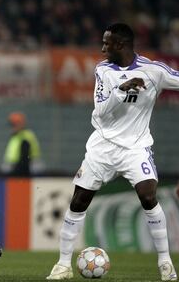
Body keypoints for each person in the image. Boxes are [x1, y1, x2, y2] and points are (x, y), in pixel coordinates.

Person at [46, 23, 178, 281]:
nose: (103, 48)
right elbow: (100, 112)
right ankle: (62, 265)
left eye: (107, 43)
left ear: (121, 45)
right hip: (103, 147)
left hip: (136, 148)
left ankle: (165, 263)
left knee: (149, 196)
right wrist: (122, 89)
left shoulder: (154, 71)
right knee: (79, 201)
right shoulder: (103, 71)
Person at [1, 111, 44, 176]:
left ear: (20, 124)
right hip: (15, 168)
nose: (12, 128)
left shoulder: (25, 137)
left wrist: (17, 172)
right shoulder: (17, 136)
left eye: (13, 125)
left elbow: (25, 160)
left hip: (23, 170)